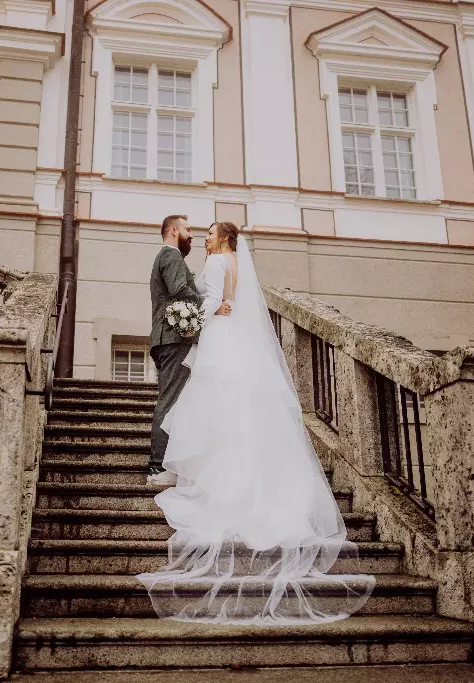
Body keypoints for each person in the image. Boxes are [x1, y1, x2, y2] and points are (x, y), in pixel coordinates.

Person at [137, 221, 375, 624]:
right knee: (237, 408)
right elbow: (234, 301)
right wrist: (221, 308)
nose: (205, 238)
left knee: (212, 407)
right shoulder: (238, 265)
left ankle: (207, 477)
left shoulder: (214, 262)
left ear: (225, 238)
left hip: (218, 338)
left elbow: (209, 300)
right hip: (237, 342)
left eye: (211, 233)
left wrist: (203, 317)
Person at [147, 215, 229, 486]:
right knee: (169, 401)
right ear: (173, 230)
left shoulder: (169, 257)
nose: (191, 234)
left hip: (169, 338)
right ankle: (158, 468)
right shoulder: (170, 256)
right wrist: (212, 306)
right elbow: (180, 289)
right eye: (187, 229)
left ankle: (168, 463)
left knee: (176, 402)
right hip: (173, 338)